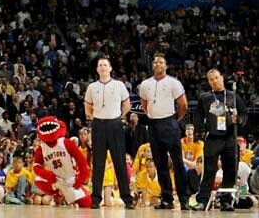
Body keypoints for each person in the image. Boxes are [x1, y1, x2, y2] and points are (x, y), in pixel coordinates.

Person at [191, 69, 248, 211]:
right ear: (209, 82)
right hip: (213, 138)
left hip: (230, 138)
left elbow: (244, 114)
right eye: (211, 79)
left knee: (230, 171)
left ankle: (226, 201)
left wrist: (239, 120)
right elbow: (197, 117)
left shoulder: (233, 96)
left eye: (216, 78)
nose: (214, 81)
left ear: (221, 78)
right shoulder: (205, 97)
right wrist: (200, 133)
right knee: (209, 171)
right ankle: (203, 201)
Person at [138, 54, 189, 209]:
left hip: (170, 123)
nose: (158, 64)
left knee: (178, 163)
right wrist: (154, 117)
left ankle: (184, 199)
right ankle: (167, 199)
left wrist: (174, 120)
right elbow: (144, 104)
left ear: (166, 66)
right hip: (154, 125)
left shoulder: (174, 82)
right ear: (152, 66)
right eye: (155, 62)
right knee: (160, 164)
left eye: (161, 62)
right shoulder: (145, 84)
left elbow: (183, 105)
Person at [84, 56, 134, 209]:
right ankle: (95, 199)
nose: (103, 68)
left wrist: (120, 116)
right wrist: (93, 117)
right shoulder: (92, 87)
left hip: (115, 124)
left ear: (110, 68)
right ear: (97, 69)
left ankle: (127, 199)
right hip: (98, 125)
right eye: (100, 65)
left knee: (119, 162)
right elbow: (87, 105)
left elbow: (126, 104)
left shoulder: (119, 85)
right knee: (98, 163)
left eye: (105, 65)